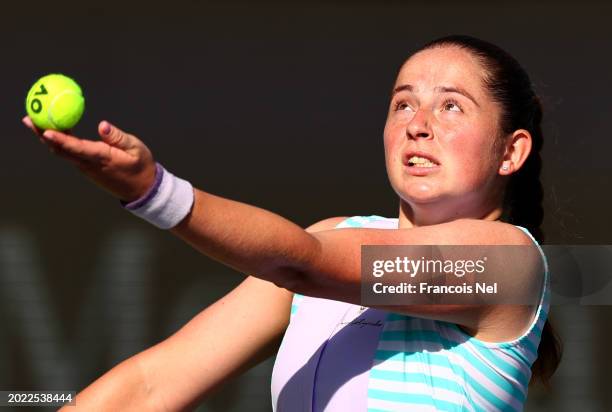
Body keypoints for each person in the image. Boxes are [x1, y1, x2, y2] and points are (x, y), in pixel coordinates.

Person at [23, 34, 561, 411]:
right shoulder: (333, 235)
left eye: (451, 107)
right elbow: (150, 386)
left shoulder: (507, 263)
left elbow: (302, 262)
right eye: (402, 104)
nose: (418, 125)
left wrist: (154, 192)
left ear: (510, 151)